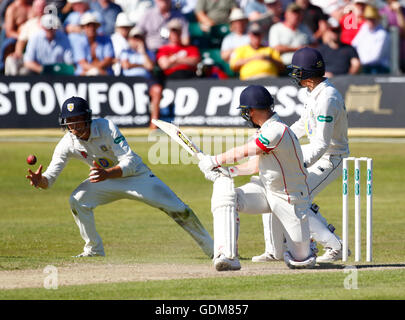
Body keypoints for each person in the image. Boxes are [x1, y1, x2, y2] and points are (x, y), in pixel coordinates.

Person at [25, 96, 214, 258]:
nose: (74, 126)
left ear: (87, 118)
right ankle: (94, 250)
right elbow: (49, 180)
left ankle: (215, 251)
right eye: (70, 121)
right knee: (78, 200)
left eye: (78, 119)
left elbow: (129, 160)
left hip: (137, 176)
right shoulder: (67, 143)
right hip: (105, 180)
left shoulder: (106, 127)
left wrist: (107, 173)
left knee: (179, 209)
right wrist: (39, 181)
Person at [198, 85, 317, 271]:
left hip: (290, 197)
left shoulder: (277, 130)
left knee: (301, 259)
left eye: (246, 111)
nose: (245, 116)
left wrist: (215, 159)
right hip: (265, 189)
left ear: (251, 111)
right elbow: (254, 165)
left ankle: (304, 245)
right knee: (225, 192)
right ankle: (227, 255)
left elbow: (247, 151)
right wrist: (228, 172)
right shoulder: (265, 130)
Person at [253, 47, 350, 263]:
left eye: (297, 71)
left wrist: (296, 163)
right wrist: (279, 138)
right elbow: (302, 126)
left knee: (296, 199)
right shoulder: (311, 93)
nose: (294, 76)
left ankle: (336, 246)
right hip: (313, 152)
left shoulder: (327, 98)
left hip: (332, 158)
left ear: (306, 73)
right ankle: (274, 249)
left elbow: (322, 144)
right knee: (269, 185)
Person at [120, 26, 163, 129]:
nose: (137, 41)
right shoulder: (125, 52)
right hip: (129, 80)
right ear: (129, 39)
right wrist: (141, 65)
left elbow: (150, 66)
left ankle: (154, 122)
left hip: (145, 80)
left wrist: (142, 52)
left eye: (139, 38)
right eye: (134, 38)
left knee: (157, 89)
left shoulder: (148, 53)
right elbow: (126, 65)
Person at [4, 0, 47, 75]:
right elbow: (13, 35)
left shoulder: (51, 22)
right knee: (10, 59)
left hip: (42, 53)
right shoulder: (13, 9)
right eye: (38, 7)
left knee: (24, 71)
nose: (40, 9)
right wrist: (18, 52)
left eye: (42, 7)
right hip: (26, 49)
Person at [351, 4, 390, 74]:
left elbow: (376, 57)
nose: (370, 21)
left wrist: (359, 62)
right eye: (368, 18)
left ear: (377, 19)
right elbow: (354, 44)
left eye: (372, 19)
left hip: (378, 68)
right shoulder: (364, 28)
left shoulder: (382, 34)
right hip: (363, 66)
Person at [379, 0, 405, 72]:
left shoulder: (403, 11)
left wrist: (398, 12)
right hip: (388, 58)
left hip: (402, 55)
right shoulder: (381, 12)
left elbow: (403, 32)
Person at [110, 12, 133, 76]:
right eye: (122, 27)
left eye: (126, 27)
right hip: (115, 69)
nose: (124, 30)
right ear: (117, 28)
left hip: (128, 69)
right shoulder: (112, 39)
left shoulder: (133, 39)